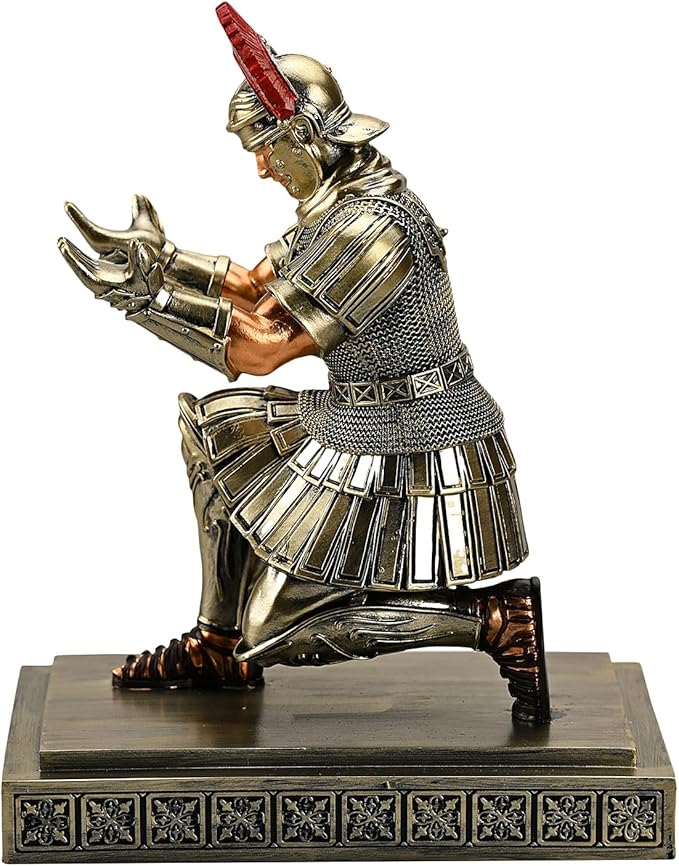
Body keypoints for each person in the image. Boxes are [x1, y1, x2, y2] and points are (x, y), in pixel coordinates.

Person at [58, 3, 550, 723]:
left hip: (412, 429)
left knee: (276, 626)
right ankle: (217, 644)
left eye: (265, 149)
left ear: (303, 136)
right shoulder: (345, 197)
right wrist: (164, 260)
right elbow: (257, 286)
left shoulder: (371, 226)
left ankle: (494, 620)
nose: (261, 168)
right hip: (361, 409)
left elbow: (261, 348)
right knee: (213, 432)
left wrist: (145, 300)